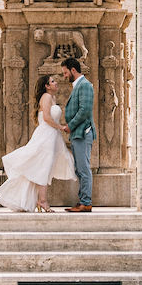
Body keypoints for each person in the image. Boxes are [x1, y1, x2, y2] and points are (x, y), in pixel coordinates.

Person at [0, 73, 74, 212]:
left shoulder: (52, 97)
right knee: (43, 167)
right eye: (53, 81)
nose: (56, 83)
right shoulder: (47, 97)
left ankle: (41, 200)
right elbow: (48, 118)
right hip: (46, 136)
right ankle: (42, 201)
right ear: (47, 86)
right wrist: (61, 127)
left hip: (51, 136)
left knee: (44, 167)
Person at [61, 57, 95, 212]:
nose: (64, 76)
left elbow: (85, 110)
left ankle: (86, 202)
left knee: (83, 168)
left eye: (65, 72)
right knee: (80, 168)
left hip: (82, 133)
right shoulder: (78, 86)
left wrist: (70, 125)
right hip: (77, 134)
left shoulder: (85, 85)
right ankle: (83, 200)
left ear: (73, 70)